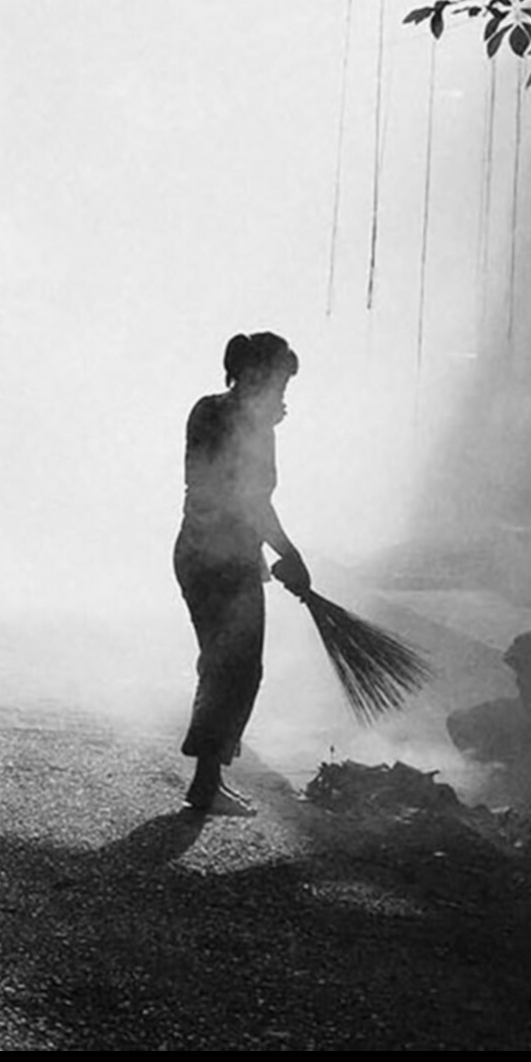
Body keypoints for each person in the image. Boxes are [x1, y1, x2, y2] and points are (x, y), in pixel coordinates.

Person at [173, 330, 313, 816]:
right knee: (235, 671)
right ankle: (206, 784)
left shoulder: (208, 409)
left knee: (223, 665)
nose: (282, 397)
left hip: (198, 555)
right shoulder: (246, 424)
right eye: (280, 385)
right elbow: (251, 499)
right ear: (257, 375)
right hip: (223, 562)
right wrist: (290, 555)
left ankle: (207, 780)